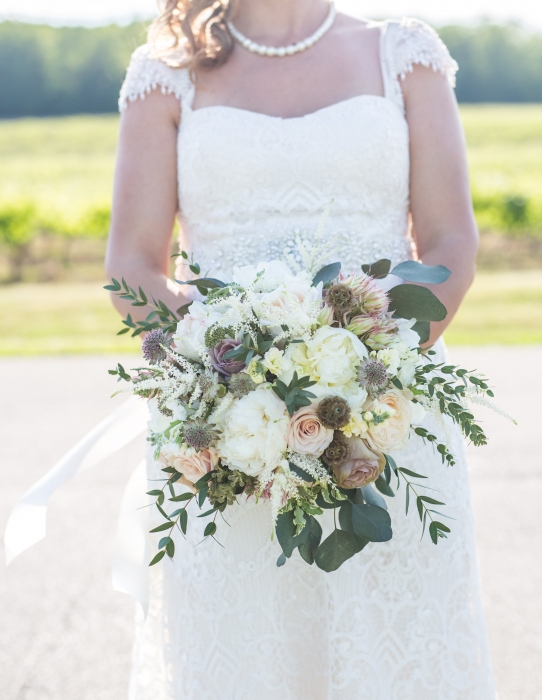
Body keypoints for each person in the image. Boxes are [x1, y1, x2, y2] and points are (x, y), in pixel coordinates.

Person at [106, 1, 496, 698]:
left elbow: (449, 246)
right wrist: (229, 375)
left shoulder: (403, 53)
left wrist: (361, 376)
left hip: (387, 429)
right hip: (229, 442)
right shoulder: (165, 72)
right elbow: (133, 267)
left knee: (393, 660)